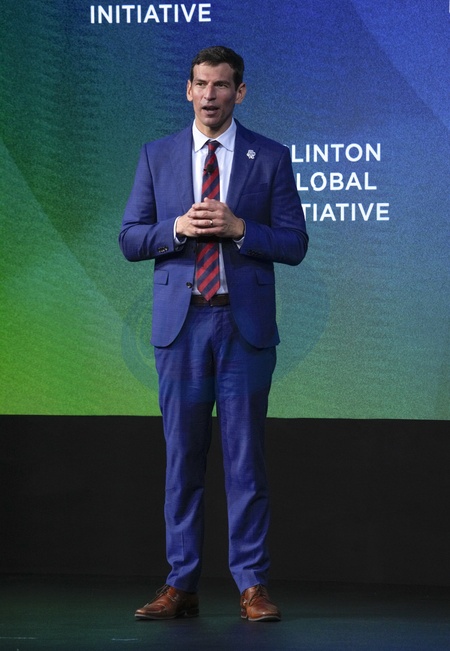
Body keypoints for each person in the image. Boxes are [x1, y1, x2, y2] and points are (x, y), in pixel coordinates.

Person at [119, 45, 308, 622]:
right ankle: (181, 583)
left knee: (245, 462)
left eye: (221, 85)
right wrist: (176, 228)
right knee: (183, 459)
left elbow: (295, 243)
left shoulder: (269, 157)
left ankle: (252, 586)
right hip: (181, 328)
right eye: (200, 84)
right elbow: (130, 238)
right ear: (188, 90)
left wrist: (241, 228)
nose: (210, 95)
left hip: (242, 328)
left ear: (239, 92)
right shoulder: (156, 155)